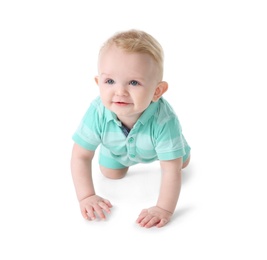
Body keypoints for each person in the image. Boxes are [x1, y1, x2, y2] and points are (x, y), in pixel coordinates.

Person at [71, 29, 191, 228]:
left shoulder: (164, 120)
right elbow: (80, 156)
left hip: (155, 146)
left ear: (157, 91)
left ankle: (179, 149)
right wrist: (86, 196)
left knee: (180, 164)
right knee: (112, 174)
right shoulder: (97, 112)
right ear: (98, 82)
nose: (120, 92)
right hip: (116, 149)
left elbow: (170, 170)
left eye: (134, 82)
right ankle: (115, 151)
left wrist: (164, 208)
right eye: (109, 81)